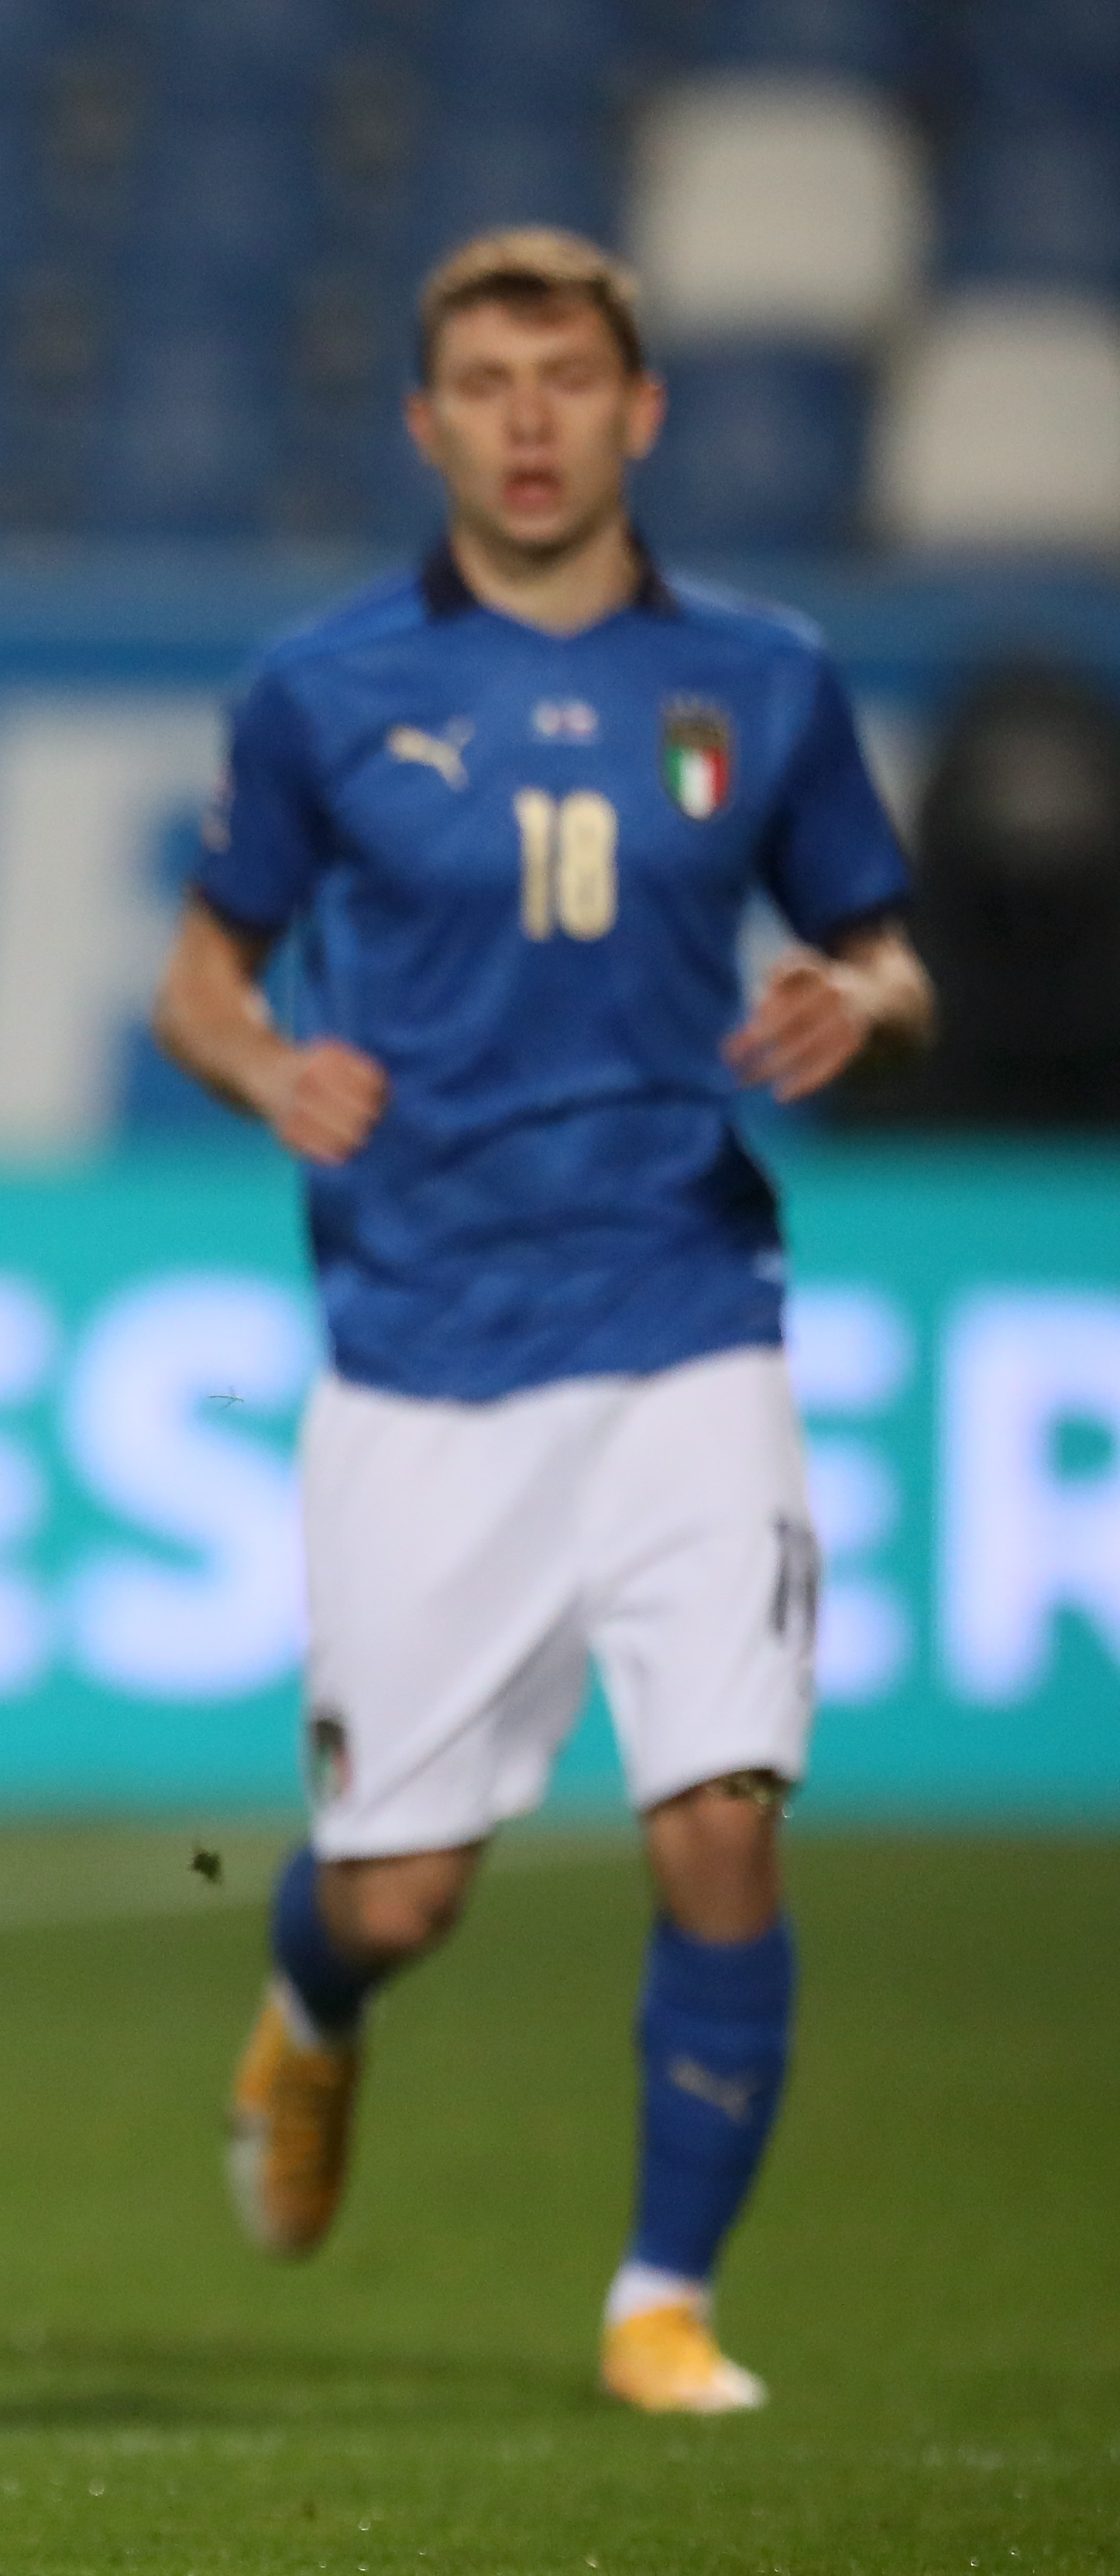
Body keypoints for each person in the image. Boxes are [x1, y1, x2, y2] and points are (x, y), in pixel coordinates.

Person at [148, 229, 932, 2415]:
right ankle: (308, 2015)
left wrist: (847, 995)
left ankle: (657, 2301)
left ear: (634, 410)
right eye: (481, 382)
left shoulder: (764, 674)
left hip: (689, 1305)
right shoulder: (321, 689)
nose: (522, 417)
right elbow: (199, 976)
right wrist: (257, 1069)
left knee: (719, 1815)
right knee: (396, 1899)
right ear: (425, 423)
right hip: (423, 1347)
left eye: (562, 379)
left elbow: (889, 948)